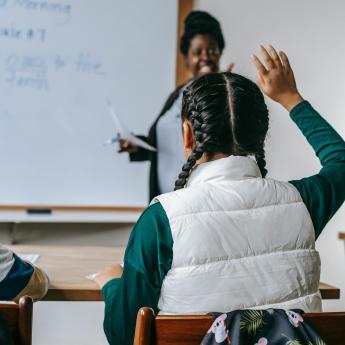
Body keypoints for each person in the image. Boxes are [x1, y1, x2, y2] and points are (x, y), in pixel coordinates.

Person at [95, 46, 345, 345]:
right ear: (260, 135)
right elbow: (340, 162)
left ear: (188, 135)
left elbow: (123, 335)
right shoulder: (301, 203)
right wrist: (291, 98)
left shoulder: (161, 219)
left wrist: (112, 284)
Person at [119, 10, 232, 201]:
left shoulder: (225, 95)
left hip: (198, 203)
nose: (206, 57)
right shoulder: (178, 94)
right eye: (197, 52)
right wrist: (137, 146)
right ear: (187, 59)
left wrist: (224, 91)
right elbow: (168, 145)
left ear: (219, 53)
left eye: (212, 50)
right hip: (165, 200)